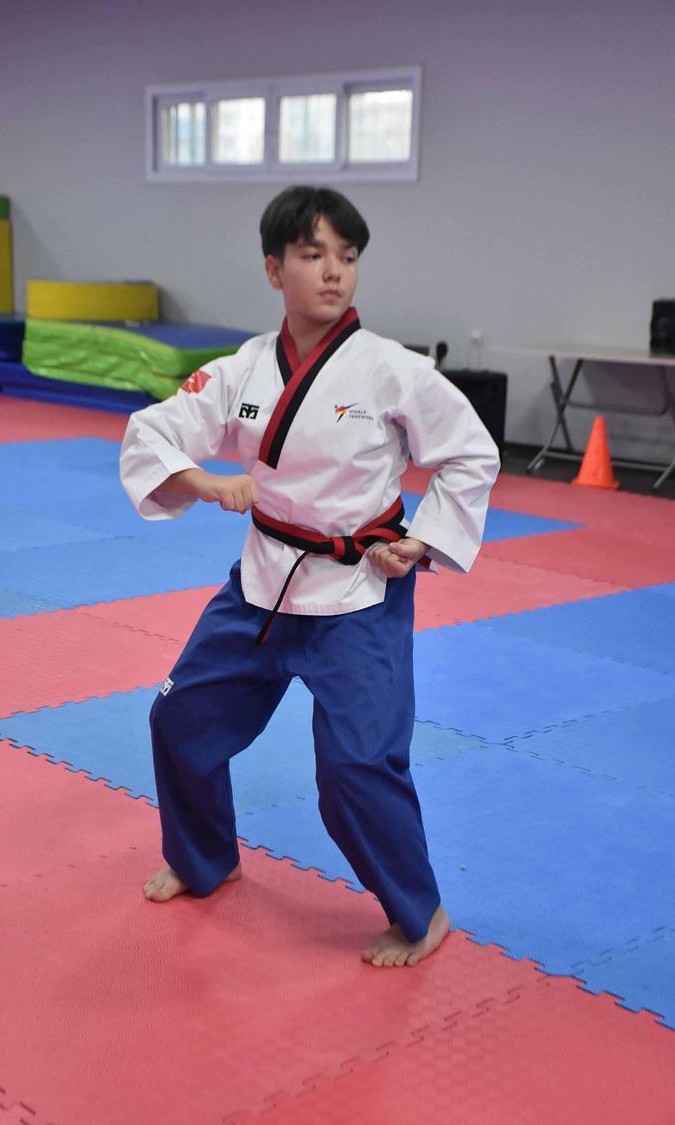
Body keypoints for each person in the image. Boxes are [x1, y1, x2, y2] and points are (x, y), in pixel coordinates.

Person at [120, 185, 500, 968]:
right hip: (263, 585)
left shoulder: (392, 370)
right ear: (274, 269)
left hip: (359, 591)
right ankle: (205, 858)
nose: (333, 271)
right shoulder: (242, 370)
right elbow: (153, 431)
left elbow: (472, 452)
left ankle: (420, 911)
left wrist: (421, 542)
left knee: (355, 766)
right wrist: (204, 481)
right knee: (179, 718)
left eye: (347, 257)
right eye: (313, 253)